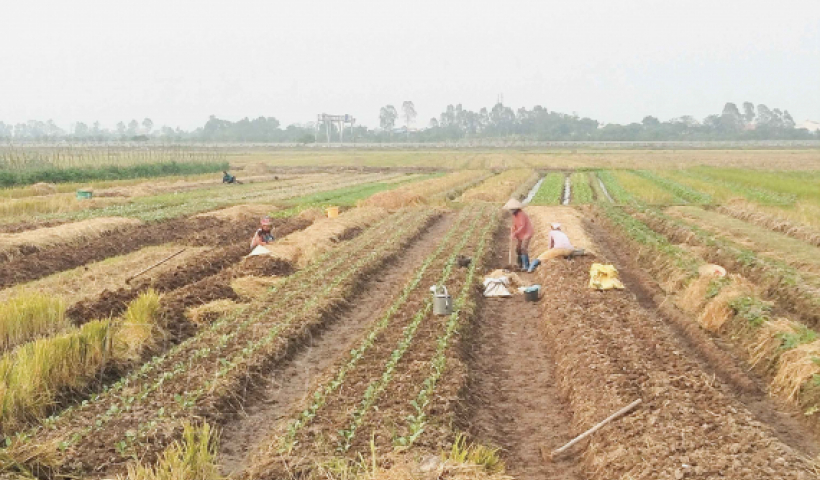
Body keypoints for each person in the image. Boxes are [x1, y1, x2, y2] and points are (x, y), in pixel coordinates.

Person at [502, 198, 533, 271]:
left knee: (523, 248)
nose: (511, 211)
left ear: (515, 209)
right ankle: (520, 265)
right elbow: (515, 224)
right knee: (518, 249)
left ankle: (526, 266)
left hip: (526, 233)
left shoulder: (521, 214)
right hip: (520, 234)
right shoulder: (514, 215)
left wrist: (515, 233)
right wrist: (513, 229)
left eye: (512, 209)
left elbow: (522, 226)